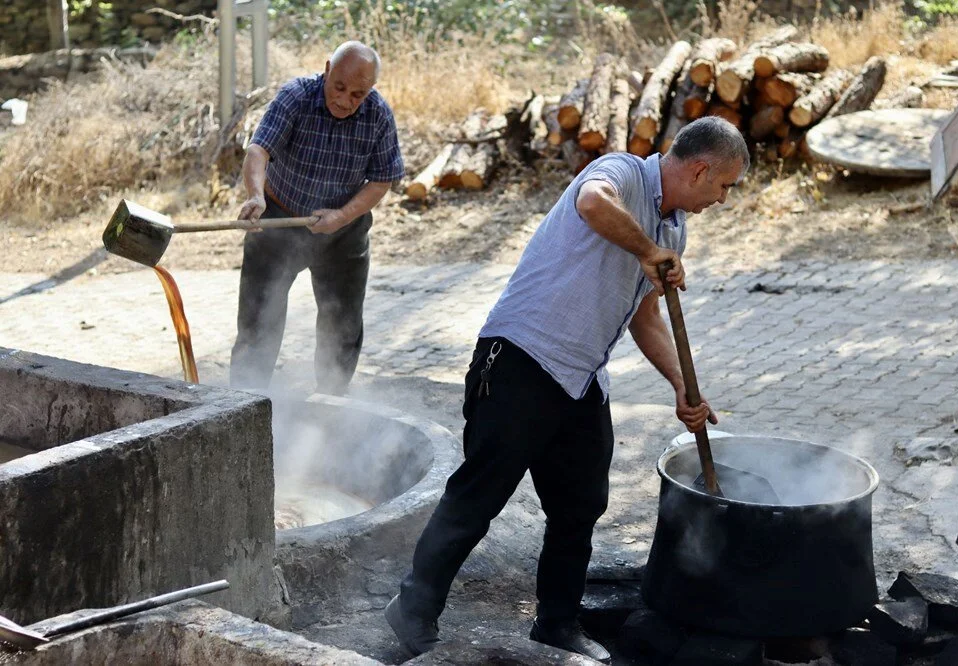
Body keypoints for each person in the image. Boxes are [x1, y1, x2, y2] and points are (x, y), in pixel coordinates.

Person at [384, 117, 750, 662]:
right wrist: (648, 250)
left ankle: (556, 623)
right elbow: (591, 204)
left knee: (580, 509)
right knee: (476, 498)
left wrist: (680, 384)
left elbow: (645, 317)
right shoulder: (622, 173)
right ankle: (412, 609)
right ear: (699, 169)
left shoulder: (673, 230)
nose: (722, 198)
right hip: (520, 361)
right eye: (724, 185)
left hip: (581, 380)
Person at [230, 41, 404, 395]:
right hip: (278, 217)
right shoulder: (296, 96)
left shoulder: (379, 115)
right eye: (338, 87)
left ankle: (333, 403)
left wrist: (342, 216)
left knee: (343, 323)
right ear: (327, 69)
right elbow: (259, 149)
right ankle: (244, 404)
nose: (344, 100)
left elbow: (382, 179)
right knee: (259, 319)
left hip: (343, 230)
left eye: (357, 93)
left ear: (370, 89)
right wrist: (255, 195)